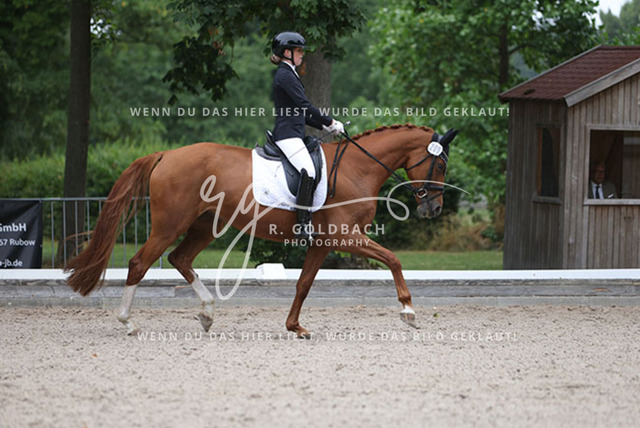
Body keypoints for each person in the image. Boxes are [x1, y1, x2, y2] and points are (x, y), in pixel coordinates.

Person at [270, 31, 344, 239]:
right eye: (299, 50)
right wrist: (330, 121)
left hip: (293, 132)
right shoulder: (285, 75)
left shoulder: (290, 73)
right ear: (287, 52)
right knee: (308, 171)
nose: (302, 54)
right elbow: (304, 105)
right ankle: (302, 226)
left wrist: (324, 127)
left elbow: (299, 113)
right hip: (287, 135)